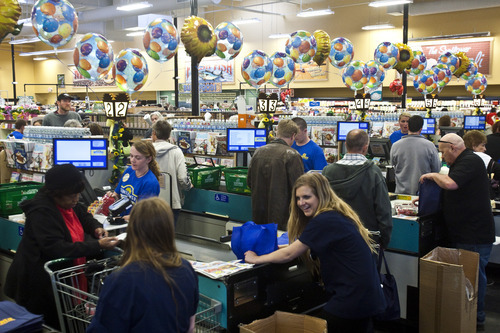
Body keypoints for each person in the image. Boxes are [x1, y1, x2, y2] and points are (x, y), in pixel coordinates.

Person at [245, 173, 386, 333]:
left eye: (306, 197)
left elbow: (289, 254)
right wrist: (274, 249)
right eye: (298, 198)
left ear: (321, 195)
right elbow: (301, 245)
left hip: (352, 298)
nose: (301, 203)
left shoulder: (324, 220)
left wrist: (256, 258)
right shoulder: (335, 214)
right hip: (365, 295)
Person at [4, 164, 119, 329]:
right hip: (38, 287)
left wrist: (95, 227)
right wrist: (97, 245)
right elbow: (57, 248)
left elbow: (83, 214)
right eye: (72, 195)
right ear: (56, 193)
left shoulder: (67, 203)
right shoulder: (41, 212)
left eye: (78, 194)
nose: (76, 199)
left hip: (62, 282)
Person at [87, 197, 199, 332]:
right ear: (169, 229)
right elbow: (190, 326)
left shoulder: (121, 280)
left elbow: (102, 328)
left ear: (133, 231)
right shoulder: (186, 269)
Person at [420, 133, 495, 331]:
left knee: (473, 278)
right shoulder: (462, 161)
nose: (442, 156)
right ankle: (465, 315)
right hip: (465, 231)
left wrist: (433, 175)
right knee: (468, 277)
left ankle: (475, 318)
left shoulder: (470, 160)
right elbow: (455, 191)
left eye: (442, 152)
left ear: (453, 148)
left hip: (474, 233)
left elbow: (451, 183)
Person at [322, 129, 392, 248]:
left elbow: (321, 205)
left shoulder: (328, 171)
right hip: (366, 237)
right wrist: (384, 240)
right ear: (365, 148)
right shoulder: (374, 172)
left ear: (345, 145)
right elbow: (383, 210)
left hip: (334, 236)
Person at [247, 119, 304, 230]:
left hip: (259, 217)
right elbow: (299, 189)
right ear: (293, 136)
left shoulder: (258, 152)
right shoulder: (292, 155)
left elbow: (249, 182)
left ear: (277, 133)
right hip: (283, 220)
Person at [152, 120, 192, 223]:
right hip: (171, 203)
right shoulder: (176, 151)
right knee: (167, 236)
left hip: (150, 202)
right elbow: (183, 178)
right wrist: (189, 186)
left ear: (154, 133)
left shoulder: (147, 150)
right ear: (169, 135)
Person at [390, 115, 441, 195]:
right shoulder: (430, 145)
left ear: (408, 127)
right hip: (422, 193)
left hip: (401, 193)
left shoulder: (396, 145)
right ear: (421, 129)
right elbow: (436, 169)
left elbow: (392, 165)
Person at [108, 141, 161, 217]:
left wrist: (125, 219)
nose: (132, 160)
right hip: (122, 221)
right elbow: (118, 193)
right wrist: (113, 197)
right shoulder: (129, 171)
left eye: (137, 157)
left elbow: (144, 213)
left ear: (148, 159)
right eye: (131, 156)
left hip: (137, 225)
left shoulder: (150, 182)